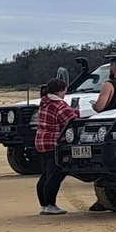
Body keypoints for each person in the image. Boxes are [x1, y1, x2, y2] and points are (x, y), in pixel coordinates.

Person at [31, 82, 80, 216]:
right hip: (53, 143)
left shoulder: (44, 102)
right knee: (55, 175)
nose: (65, 94)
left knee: (45, 174)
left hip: (41, 142)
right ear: (59, 91)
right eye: (64, 91)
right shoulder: (59, 105)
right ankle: (50, 204)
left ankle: (44, 204)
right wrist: (76, 109)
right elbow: (72, 119)